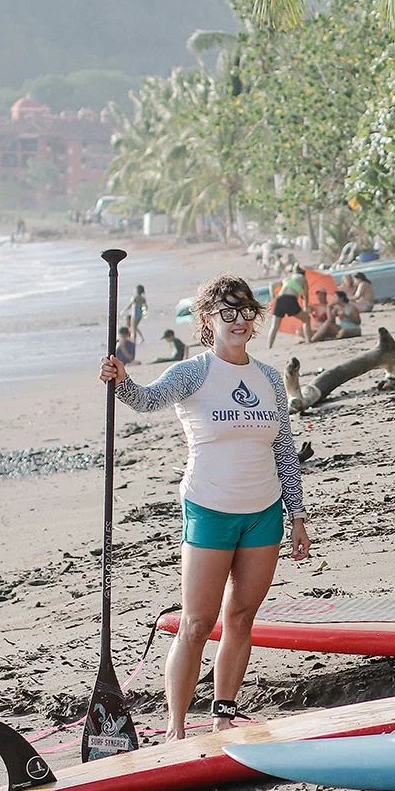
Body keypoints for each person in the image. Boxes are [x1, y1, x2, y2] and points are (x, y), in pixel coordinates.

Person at [98, 275, 311, 739]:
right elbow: (146, 400)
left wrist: (296, 516)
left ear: (255, 319)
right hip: (209, 508)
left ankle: (223, 714)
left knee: (241, 618)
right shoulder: (194, 372)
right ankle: (176, 727)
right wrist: (120, 380)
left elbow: (284, 450)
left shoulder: (269, 378)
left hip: (264, 513)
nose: (237, 320)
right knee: (196, 623)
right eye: (225, 312)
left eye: (244, 312)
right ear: (208, 321)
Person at [267, 268, 306, 349]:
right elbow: (306, 296)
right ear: (303, 274)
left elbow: (272, 285)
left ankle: (269, 347)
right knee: (307, 319)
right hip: (290, 299)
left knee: (274, 326)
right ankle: (309, 341)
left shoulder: (288, 279)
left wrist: (273, 298)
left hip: (279, 299)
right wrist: (305, 308)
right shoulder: (303, 279)